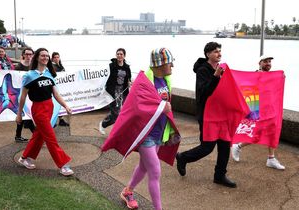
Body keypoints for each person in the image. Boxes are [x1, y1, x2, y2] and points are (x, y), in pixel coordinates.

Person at [115, 48, 177, 210]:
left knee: (144, 166)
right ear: (160, 64)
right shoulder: (143, 82)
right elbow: (136, 107)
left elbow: (164, 105)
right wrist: (162, 107)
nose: (172, 66)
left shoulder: (165, 80)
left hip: (159, 133)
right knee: (155, 172)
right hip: (145, 134)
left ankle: (128, 191)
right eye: (170, 62)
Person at [175, 42, 237, 188]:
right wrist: (216, 76)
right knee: (207, 147)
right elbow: (204, 93)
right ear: (208, 54)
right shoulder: (203, 70)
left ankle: (220, 175)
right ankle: (183, 157)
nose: (219, 54)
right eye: (215, 51)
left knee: (224, 146)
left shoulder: (222, 69)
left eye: (220, 51)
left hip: (222, 114)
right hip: (208, 115)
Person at [16, 48, 74, 176]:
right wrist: (19, 114)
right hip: (38, 109)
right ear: (37, 57)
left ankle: (26, 158)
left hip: (50, 107)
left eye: (47, 56)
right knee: (50, 137)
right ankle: (63, 165)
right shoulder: (29, 75)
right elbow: (22, 97)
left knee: (39, 135)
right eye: (43, 55)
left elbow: (56, 93)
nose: (45, 58)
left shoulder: (49, 74)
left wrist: (65, 105)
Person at [231, 55, 285, 170]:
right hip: (258, 111)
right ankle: (238, 146)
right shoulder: (254, 76)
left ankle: (271, 158)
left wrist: (281, 78)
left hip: (271, 110)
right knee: (256, 135)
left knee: (273, 132)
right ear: (259, 63)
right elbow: (244, 88)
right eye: (265, 61)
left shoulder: (273, 77)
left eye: (270, 61)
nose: (268, 63)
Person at [99, 48, 131, 135]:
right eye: (118, 54)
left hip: (123, 91)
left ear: (124, 56)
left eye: (121, 54)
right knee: (116, 114)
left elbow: (128, 78)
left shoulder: (127, 67)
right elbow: (104, 76)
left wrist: (129, 82)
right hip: (112, 91)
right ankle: (103, 124)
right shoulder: (111, 66)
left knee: (122, 112)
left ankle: (118, 131)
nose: (119, 56)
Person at [14, 47, 35, 142]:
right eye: (26, 54)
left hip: (32, 94)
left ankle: (18, 136)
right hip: (22, 94)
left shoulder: (34, 66)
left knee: (24, 116)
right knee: (27, 116)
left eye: (30, 54)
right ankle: (37, 137)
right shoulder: (18, 67)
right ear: (23, 55)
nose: (28, 56)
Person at [52, 51, 69, 126]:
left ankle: (60, 119)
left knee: (59, 103)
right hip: (55, 87)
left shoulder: (60, 66)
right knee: (55, 103)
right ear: (52, 59)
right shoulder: (52, 66)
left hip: (61, 87)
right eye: (55, 57)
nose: (56, 59)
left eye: (57, 57)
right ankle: (54, 120)